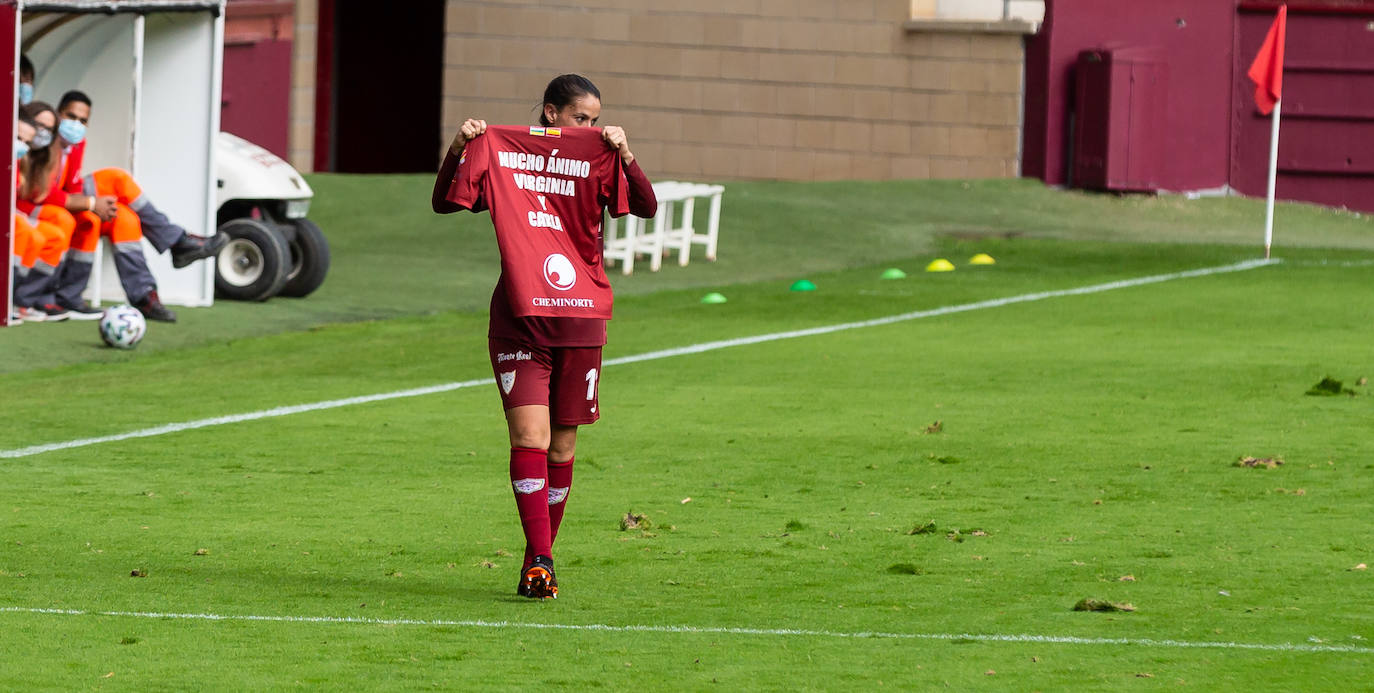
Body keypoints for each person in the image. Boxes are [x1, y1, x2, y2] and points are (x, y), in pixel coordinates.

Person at [432, 74, 656, 599]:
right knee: (530, 437)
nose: (592, 128)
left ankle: (540, 559)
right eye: (582, 119)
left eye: (597, 120)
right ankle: (542, 559)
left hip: (580, 317)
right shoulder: (506, 154)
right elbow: (446, 202)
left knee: (562, 444)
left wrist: (625, 156)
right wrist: (460, 146)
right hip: (520, 317)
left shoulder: (597, 155)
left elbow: (644, 206)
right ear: (552, 114)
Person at [40, 90, 226, 322]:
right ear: (58, 114)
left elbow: (73, 183)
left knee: (126, 219)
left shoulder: (78, 142)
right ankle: (177, 241)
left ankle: (144, 296)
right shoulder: (45, 141)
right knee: (118, 180)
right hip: (51, 201)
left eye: (83, 121)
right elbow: (44, 190)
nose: (76, 124)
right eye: (71, 116)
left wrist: (90, 204)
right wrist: (89, 203)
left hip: (69, 197)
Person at [12, 101, 79, 322]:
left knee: (55, 234)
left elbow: (41, 194)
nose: (42, 133)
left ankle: (24, 300)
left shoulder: (41, 157)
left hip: (21, 214)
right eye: (39, 125)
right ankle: (9, 298)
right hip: (16, 216)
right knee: (24, 230)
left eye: (48, 129)